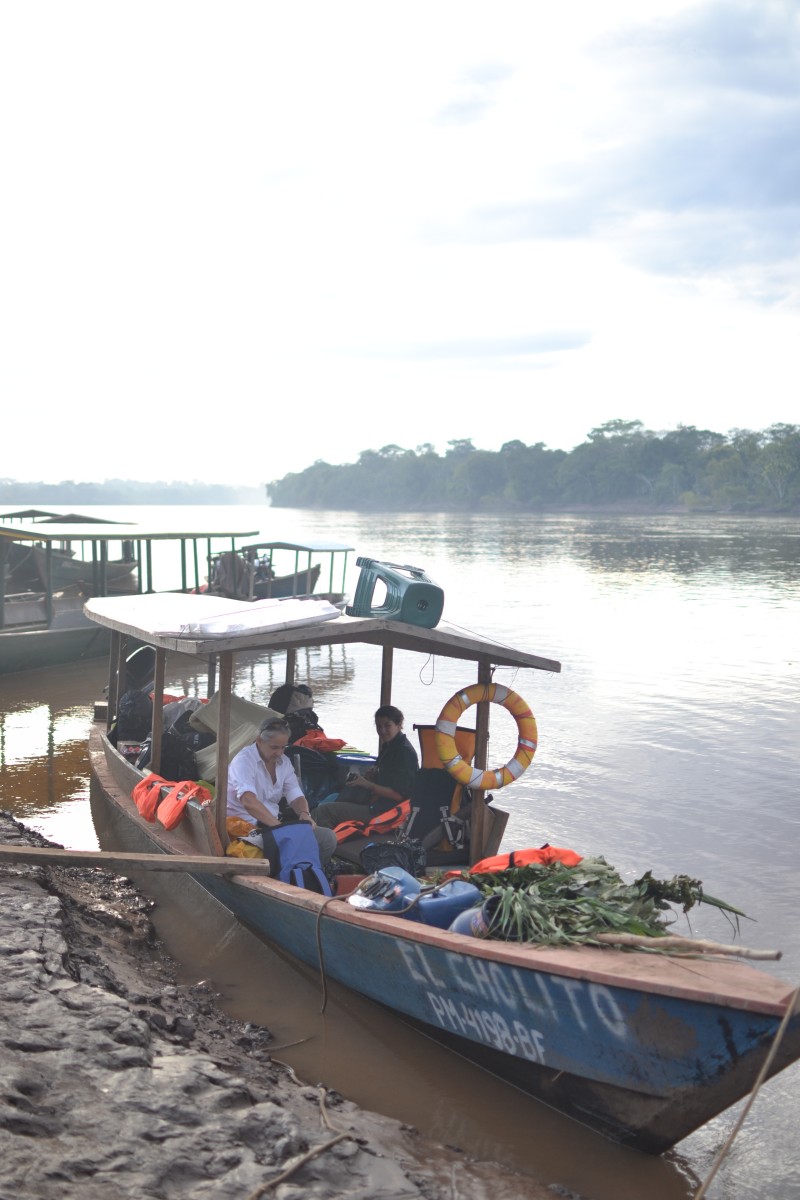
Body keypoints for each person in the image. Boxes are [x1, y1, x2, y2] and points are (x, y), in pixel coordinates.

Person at [226, 717, 337, 863]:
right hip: (244, 830)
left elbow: (295, 794)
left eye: (283, 747)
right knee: (299, 843)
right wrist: (279, 828)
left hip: (271, 826)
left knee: (328, 838)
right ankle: (290, 873)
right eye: (274, 747)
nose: (279, 753)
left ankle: (303, 875)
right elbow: (248, 801)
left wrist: (305, 814)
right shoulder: (244, 761)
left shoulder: (284, 762)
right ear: (259, 741)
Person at [314, 705, 419, 829]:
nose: (382, 730)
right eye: (379, 726)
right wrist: (372, 776)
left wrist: (366, 784)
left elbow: (400, 795)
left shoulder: (404, 752)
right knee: (325, 803)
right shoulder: (390, 746)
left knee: (323, 811)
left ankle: (328, 845)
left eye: (387, 725)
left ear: (399, 724)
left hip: (387, 812)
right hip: (375, 803)